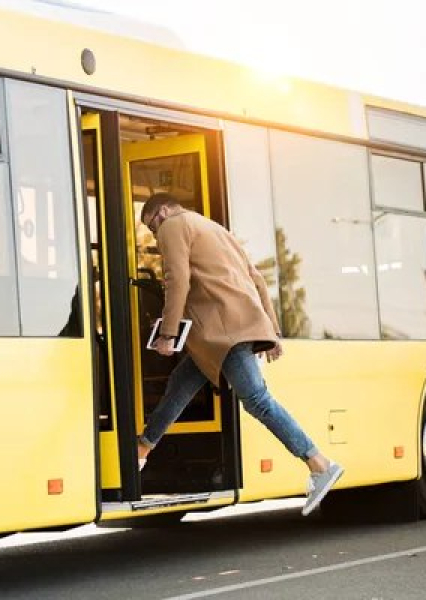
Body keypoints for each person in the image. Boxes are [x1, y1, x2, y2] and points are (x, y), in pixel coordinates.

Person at [136, 192, 343, 516]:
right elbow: (257, 279)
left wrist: (167, 333)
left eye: (152, 227)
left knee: (257, 400)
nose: (155, 236)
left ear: (162, 212)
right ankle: (143, 448)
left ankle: (319, 463)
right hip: (225, 333)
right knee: (181, 382)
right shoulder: (216, 229)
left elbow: (178, 280)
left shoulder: (174, 225)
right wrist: (272, 332)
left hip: (223, 334)